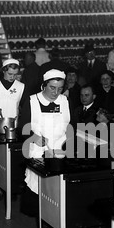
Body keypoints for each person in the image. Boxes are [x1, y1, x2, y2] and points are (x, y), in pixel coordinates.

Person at [18, 69, 70, 217]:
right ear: (44, 85)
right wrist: (34, 137)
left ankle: (54, 217)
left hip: (59, 152)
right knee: (37, 185)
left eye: (60, 88)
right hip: (37, 150)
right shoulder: (32, 101)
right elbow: (23, 127)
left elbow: (71, 125)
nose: (56, 92)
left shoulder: (65, 101)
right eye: (52, 88)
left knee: (56, 189)